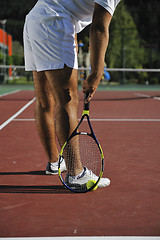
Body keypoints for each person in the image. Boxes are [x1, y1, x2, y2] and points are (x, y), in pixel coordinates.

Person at [23, 0, 121, 188]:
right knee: (67, 99)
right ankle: (76, 174)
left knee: (45, 101)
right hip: (54, 22)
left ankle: (55, 163)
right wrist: (96, 73)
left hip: (36, 19)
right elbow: (99, 27)